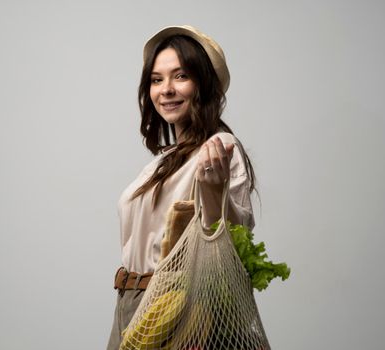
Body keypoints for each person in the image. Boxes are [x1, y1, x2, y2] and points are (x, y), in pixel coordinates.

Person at [106, 25, 257, 350]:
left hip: (181, 310)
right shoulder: (160, 163)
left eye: (180, 76)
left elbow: (232, 243)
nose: (166, 89)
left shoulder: (219, 147)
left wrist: (214, 195)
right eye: (156, 80)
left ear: (204, 84)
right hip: (132, 306)